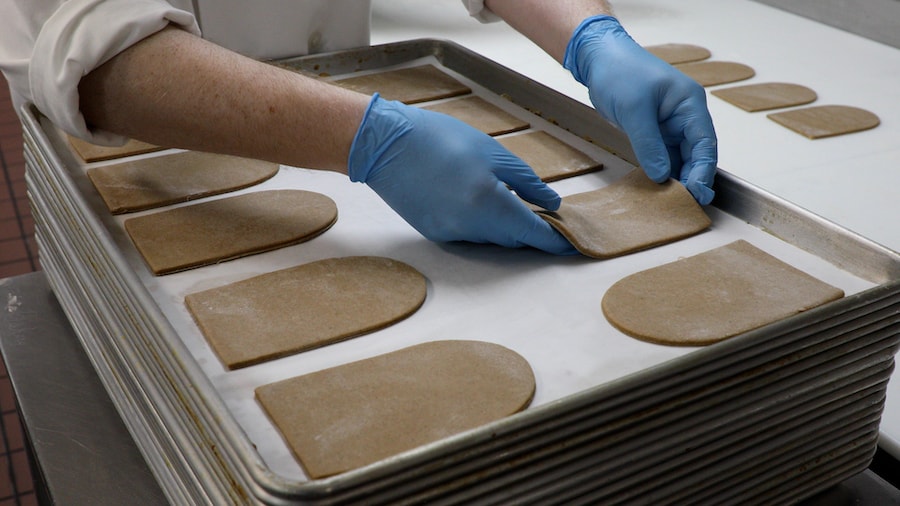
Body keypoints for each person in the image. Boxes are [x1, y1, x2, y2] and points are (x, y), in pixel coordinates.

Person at [0, 0, 717, 255]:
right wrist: (374, 140)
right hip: (143, 159)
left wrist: (591, 37)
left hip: (348, 117)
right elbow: (74, 46)